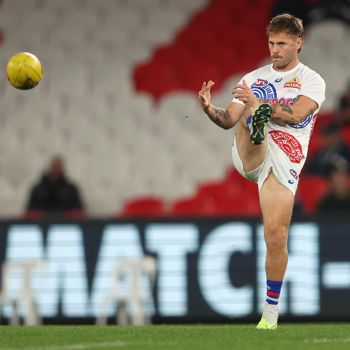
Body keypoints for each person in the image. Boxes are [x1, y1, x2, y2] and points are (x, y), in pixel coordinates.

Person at [198, 13, 325, 329]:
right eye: (271, 42)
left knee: (276, 236)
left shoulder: (312, 80)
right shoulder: (253, 78)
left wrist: (262, 106)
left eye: (282, 43)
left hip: (286, 160)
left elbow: (297, 115)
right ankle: (256, 126)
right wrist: (208, 109)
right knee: (247, 119)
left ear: (298, 43)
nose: (275, 49)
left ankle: (270, 315)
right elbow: (227, 118)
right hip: (250, 155)